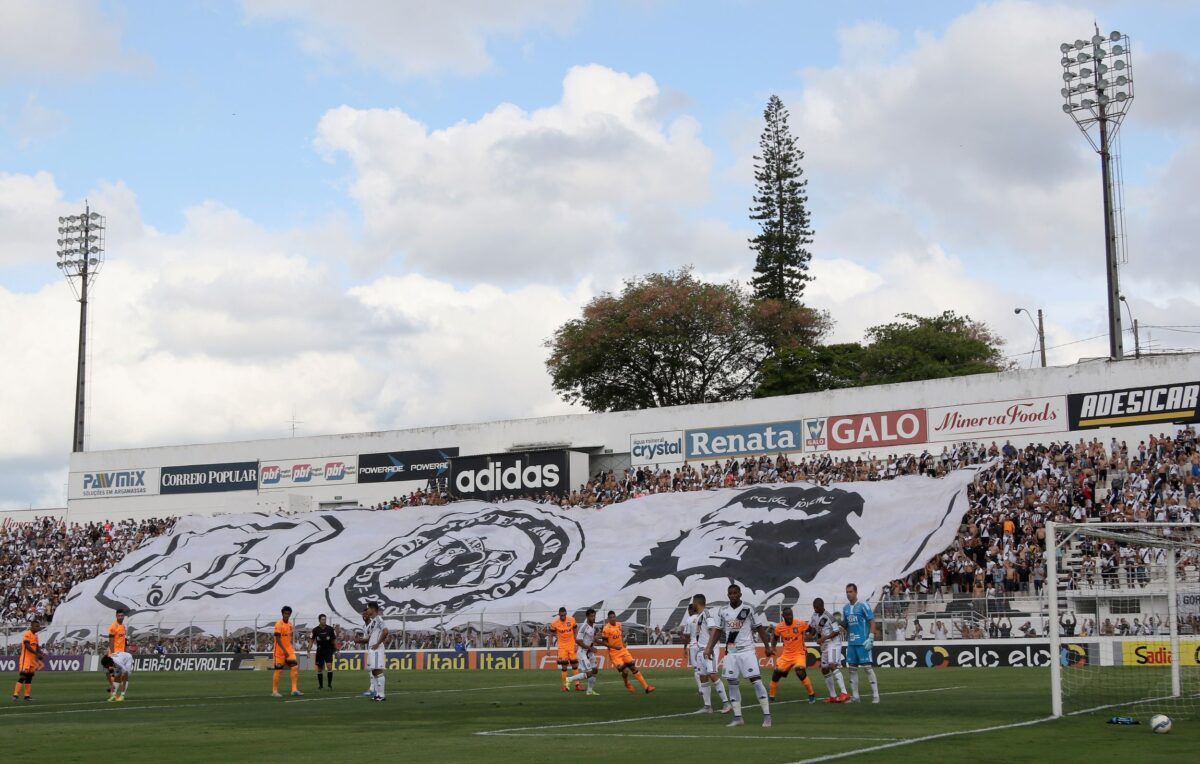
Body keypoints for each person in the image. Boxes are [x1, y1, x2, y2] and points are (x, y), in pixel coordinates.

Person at [705, 584, 773, 728]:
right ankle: (738, 718)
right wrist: (709, 648)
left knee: (756, 681)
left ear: (740, 594)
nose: (733, 595)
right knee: (732, 683)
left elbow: (759, 628)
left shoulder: (749, 609)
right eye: (730, 593)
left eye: (735, 593)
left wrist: (767, 646)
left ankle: (767, 716)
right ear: (728, 595)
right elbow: (717, 631)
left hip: (747, 651)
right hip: (731, 652)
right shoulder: (723, 611)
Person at [681, 593, 731, 714]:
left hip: (709, 650)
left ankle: (727, 704)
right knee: (703, 677)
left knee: (712, 674)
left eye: (693, 602)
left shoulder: (707, 614)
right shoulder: (699, 616)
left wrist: (709, 648)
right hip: (700, 650)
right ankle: (707, 707)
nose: (692, 604)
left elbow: (713, 629)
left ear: (696, 603)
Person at [598, 611, 655, 694]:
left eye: (614, 617)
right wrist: (615, 647)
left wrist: (623, 643)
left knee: (633, 667)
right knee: (625, 671)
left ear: (615, 617)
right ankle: (627, 683)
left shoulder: (619, 625)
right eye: (611, 617)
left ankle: (646, 687)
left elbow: (620, 635)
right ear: (608, 619)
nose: (613, 619)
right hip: (614, 654)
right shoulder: (606, 628)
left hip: (623, 651)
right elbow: (604, 643)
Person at [842, 583, 879, 704]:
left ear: (856, 592)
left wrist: (871, 637)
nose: (848, 594)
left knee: (868, 668)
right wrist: (840, 625)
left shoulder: (863, 605)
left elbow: (872, 621)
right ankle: (856, 697)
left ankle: (876, 695)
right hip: (851, 643)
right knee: (852, 669)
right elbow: (846, 625)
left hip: (863, 642)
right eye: (847, 592)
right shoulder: (845, 608)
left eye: (851, 591)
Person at [770, 606, 816, 704]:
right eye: (787, 615)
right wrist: (773, 647)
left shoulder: (800, 623)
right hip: (786, 655)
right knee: (776, 674)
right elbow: (775, 637)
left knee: (800, 672)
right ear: (783, 616)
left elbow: (812, 630)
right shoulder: (779, 627)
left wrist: (810, 635)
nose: (790, 617)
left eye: (791, 614)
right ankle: (771, 697)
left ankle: (812, 695)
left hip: (799, 653)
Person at [809, 598, 849, 703]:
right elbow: (813, 628)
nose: (815, 609)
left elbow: (836, 631)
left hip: (834, 643)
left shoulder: (829, 617)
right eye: (814, 607)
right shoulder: (814, 615)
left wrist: (823, 638)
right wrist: (810, 634)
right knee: (824, 669)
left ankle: (844, 693)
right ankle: (832, 696)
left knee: (832, 665)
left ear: (822, 606)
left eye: (817, 607)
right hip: (825, 645)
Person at [356, 602, 390, 702]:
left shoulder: (379, 619)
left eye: (368, 609)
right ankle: (377, 695)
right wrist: (359, 640)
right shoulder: (373, 622)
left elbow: (386, 631)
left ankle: (381, 695)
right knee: (374, 671)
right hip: (372, 648)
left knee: (378, 670)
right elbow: (369, 637)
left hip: (377, 648)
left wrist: (378, 643)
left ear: (373, 609)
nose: (367, 611)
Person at [566, 608, 601, 696]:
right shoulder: (584, 627)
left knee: (595, 670)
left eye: (594, 616)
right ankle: (569, 679)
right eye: (592, 616)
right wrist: (590, 648)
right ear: (587, 616)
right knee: (589, 673)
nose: (593, 618)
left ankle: (589, 691)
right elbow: (578, 640)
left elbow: (590, 639)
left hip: (589, 652)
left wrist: (595, 644)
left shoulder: (593, 626)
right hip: (582, 652)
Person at [271, 606, 302, 697]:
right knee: (279, 670)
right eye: (285, 613)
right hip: (279, 651)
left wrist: (289, 648)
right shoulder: (278, 624)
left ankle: (294, 690)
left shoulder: (290, 625)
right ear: (282, 614)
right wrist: (284, 650)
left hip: (289, 650)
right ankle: (274, 691)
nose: (286, 615)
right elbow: (278, 638)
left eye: (288, 614)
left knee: (295, 667)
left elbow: (288, 638)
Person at [549, 607, 580, 692]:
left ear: (566, 614)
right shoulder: (555, 623)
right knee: (564, 667)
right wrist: (548, 648)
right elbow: (550, 635)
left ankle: (577, 685)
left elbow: (575, 632)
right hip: (562, 648)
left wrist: (576, 643)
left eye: (564, 615)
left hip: (571, 646)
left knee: (575, 665)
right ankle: (565, 686)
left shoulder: (572, 620)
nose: (563, 617)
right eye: (561, 615)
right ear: (559, 615)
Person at [12, 619, 44, 702]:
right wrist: (37, 654)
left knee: (29, 678)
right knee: (23, 676)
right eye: (36, 626)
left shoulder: (36, 636)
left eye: (38, 626)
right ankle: (15, 695)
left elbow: (36, 646)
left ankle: (27, 696)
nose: (38, 628)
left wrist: (40, 653)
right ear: (32, 626)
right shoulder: (27, 633)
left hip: (32, 660)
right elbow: (27, 646)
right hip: (25, 659)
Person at [310, 613, 338, 690]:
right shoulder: (315, 630)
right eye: (322, 619)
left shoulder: (330, 629)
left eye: (325, 619)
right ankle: (321, 686)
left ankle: (329, 685)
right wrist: (308, 650)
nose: (324, 621)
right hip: (319, 650)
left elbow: (334, 639)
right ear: (319, 620)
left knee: (329, 666)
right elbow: (311, 640)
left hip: (328, 650)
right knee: (319, 669)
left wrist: (337, 649)